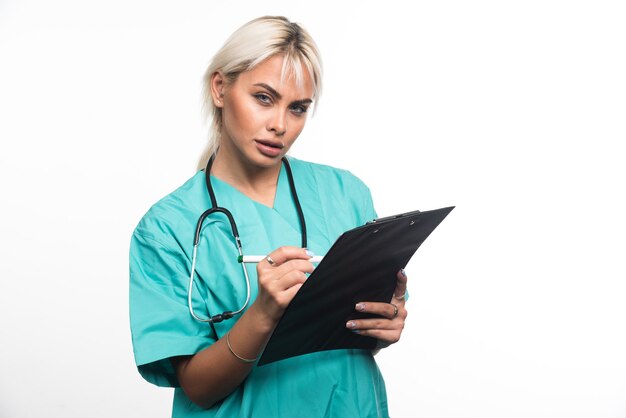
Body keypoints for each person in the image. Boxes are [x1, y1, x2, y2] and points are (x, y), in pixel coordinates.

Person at [129, 16, 408, 417]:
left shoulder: (346, 194)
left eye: (297, 108)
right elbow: (198, 387)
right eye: (263, 97)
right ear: (221, 88)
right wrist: (262, 314)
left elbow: (362, 330)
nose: (279, 125)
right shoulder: (166, 229)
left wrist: (385, 323)